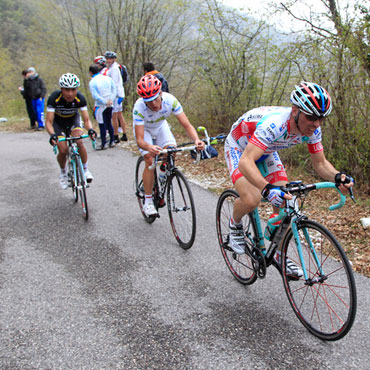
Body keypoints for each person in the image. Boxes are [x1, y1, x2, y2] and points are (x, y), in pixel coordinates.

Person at [224, 81, 354, 278]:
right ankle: (235, 224)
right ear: (296, 111)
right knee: (252, 198)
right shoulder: (274, 125)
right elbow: (246, 162)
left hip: (266, 151)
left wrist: (338, 177)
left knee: (288, 203)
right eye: (311, 117)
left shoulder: (313, 130)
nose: (316, 124)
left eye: (321, 118)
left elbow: (320, 164)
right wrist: (267, 188)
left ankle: (278, 254)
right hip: (239, 149)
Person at [133, 74, 205, 217]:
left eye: (155, 99)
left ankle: (162, 175)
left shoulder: (170, 101)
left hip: (160, 127)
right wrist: (149, 147)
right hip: (145, 131)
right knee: (149, 159)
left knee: (171, 151)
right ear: (143, 100)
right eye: (149, 101)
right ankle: (148, 201)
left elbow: (186, 125)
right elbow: (140, 140)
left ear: (160, 93)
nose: (153, 104)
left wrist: (196, 140)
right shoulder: (139, 107)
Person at [46, 73, 97, 189]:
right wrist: (52, 135)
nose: (70, 93)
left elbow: (86, 119)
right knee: (63, 150)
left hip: (73, 120)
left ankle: (85, 169)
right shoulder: (54, 98)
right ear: (61, 89)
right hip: (58, 123)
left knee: (79, 141)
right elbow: (49, 122)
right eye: (67, 90)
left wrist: (91, 130)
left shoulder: (80, 98)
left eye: (73, 90)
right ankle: (63, 173)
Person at [88, 64, 117, 150]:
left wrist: (104, 102)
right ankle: (112, 141)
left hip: (100, 105)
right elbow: (114, 89)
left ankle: (103, 144)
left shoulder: (92, 82)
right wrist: (111, 100)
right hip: (110, 103)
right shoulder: (108, 78)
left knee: (102, 124)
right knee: (109, 122)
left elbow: (95, 95)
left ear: (90, 72)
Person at [104, 51, 128, 143]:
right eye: (107, 59)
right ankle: (124, 134)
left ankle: (116, 136)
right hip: (119, 94)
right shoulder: (114, 67)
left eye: (110, 59)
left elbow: (113, 83)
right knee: (119, 115)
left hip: (116, 95)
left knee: (114, 116)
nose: (108, 60)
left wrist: (111, 96)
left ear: (114, 59)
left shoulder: (114, 69)